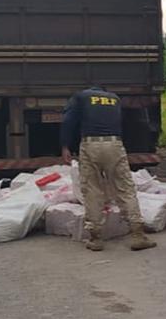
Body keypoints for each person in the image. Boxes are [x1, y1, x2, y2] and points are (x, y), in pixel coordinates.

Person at [60, 85, 155, 252]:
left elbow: (69, 121)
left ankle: (96, 238)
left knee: (92, 189)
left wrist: (65, 145)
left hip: (91, 145)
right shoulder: (114, 98)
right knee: (125, 189)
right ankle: (138, 235)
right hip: (115, 143)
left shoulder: (80, 97)